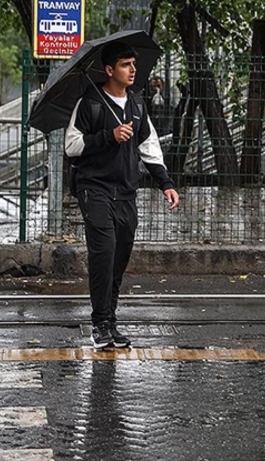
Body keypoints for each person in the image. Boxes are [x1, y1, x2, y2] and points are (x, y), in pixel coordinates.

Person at [64, 41, 180, 350]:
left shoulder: (137, 105)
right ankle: (100, 324)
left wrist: (165, 183)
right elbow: (72, 145)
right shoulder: (89, 102)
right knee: (104, 253)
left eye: (133, 64)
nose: (132, 70)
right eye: (126, 65)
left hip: (126, 191)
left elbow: (149, 147)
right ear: (109, 70)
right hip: (95, 189)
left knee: (119, 257)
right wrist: (107, 136)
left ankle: (110, 322)